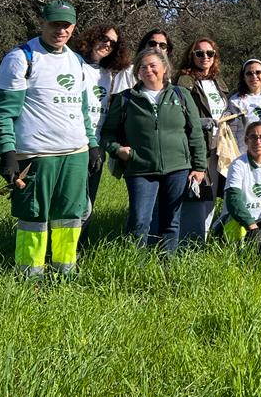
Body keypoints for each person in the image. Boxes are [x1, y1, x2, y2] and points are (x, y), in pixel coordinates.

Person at [0, 0, 97, 277]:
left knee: (70, 217)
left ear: (73, 27)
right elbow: (4, 113)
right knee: (34, 216)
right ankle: (30, 274)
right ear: (43, 23)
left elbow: (82, 109)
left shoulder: (76, 60)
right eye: (54, 24)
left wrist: (92, 144)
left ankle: (65, 272)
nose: (60, 31)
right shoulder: (21, 58)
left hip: (75, 153)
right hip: (37, 155)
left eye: (66, 25)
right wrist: (7, 152)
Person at [101, 47, 207, 254]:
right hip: (140, 168)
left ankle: (167, 265)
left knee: (171, 221)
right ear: (137, 72)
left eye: (153, 65)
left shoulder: (181, 95)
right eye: (142, 67)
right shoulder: (126, 99)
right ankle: (136, 265)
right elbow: (108, 133)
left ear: (165, 68)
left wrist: (199, 167)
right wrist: (117, 150)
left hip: (177, 167)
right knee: (139, 221)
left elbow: (195, 132)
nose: (148, 70)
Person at [73, 22, 130, 242]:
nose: (107, 44)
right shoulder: (75, 64)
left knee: (87, 203)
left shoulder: (107, 74)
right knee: (72, 203)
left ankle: (79, 247)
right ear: (92, 37)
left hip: (97, 147)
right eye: (104, 38)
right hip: (76, 145)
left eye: (113, 43)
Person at [174, 37, 230, 242]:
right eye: (199, 53)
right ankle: (188, 240)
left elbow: (223, 108)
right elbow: (178, 114)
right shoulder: (185, 81)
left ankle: (202, 239)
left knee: (210, 195)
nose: (205, 57)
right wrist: (198, 123)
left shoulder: (218, 82)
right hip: (197, 146)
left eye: (210, 53)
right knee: (195, 194)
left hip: (218, 147)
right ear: (192, 56)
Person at [226, 59, 261, 154]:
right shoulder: (236, 101)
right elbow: (232, 134)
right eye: (249, 73)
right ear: (243, 77)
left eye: (258, 72)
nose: (254, 76)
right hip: (245, 155)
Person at [112, 28, 174, 93]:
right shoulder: (128, 72)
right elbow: (120, 97)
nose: (157, 48)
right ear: (144, 46)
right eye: (152, 44)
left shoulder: (166, 76)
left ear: (167, 51)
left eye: (162, 45)